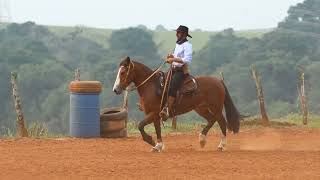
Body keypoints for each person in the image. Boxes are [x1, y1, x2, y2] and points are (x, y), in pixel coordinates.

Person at [159, 25, 193, 120]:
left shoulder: (187, 45)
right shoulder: (178, 44)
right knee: (161, 81)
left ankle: (167, 110)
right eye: (177, 32)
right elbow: (178, 56)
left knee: (172, 87)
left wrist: (173, 59)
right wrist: (172, 56)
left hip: (180, 71)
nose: (176, 34)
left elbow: (187, 59)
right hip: (173, 69)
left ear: (184, 34)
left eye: (178, 33)